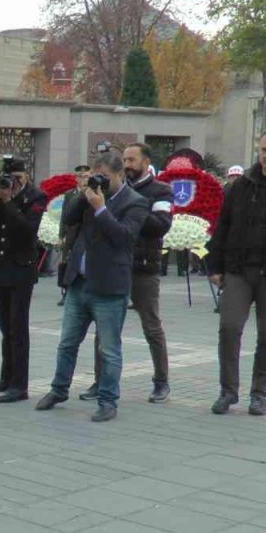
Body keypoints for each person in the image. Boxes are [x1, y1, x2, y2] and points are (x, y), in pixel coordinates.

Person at [36, 152, 151, 422]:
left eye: (105, 178)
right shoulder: (89, 195)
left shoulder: (135, 202)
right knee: (67, 343)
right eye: (96, 176)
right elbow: (69, 219)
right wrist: (84, 193)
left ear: (120, 174)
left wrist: (101, 208)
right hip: (80, 283)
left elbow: (123, 237)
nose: (101, 182)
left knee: (109, 349)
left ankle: (108, 400)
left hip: (109, 288)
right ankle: (59, 389)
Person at [206, 128, 266, 417]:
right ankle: (228, 391)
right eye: (264, 150)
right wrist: (215, 265)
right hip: (239, 271)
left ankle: (259, 394)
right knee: (229, 328)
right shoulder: (241, 185)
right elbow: (224, 226)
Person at [79, 143, 173, 404]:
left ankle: (161, 381)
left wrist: (135, 208)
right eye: (125, 160)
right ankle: (101, 381)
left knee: (151, 325)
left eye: (133, 160)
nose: (128, 164)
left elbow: (162, 226)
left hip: (143, 266)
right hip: (112, 266)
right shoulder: (110, 189)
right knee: (104, 326)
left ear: (146, 162)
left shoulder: (160, 190)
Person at [0, 157, 47, 404]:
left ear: (25, 176)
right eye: (8, 178)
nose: (12, 183)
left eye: (16, 178)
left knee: (18, 328)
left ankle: (19, 385)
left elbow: (26, 230)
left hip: (21, 270)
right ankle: (6, 377)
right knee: (6, 328)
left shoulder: (35, 198)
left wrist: (8, 201)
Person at [56, 165, 92, 306]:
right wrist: (61, 235)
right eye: (81, 176)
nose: (84, 179)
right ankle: (65, 293)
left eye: (87, 176)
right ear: (76, 178)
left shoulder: (93, 193)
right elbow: (64, 216)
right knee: (66, 263)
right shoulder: (70, 194)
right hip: (71, 234)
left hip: (84, 235)